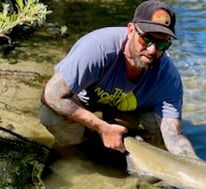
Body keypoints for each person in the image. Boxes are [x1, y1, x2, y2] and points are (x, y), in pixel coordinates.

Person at [40, 0, 197, 157]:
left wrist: (196, 167)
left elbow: (175, 137)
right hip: (85, 102)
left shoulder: (168, 77)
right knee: (51, 114)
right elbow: (51, 95)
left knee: (158, 128)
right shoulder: (97, 49)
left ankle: (137, 156)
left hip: (129, 109)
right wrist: (102, 127)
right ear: (130, 30)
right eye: (146, 39)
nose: (152, 50)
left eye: (162, 44)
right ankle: (81, 146)